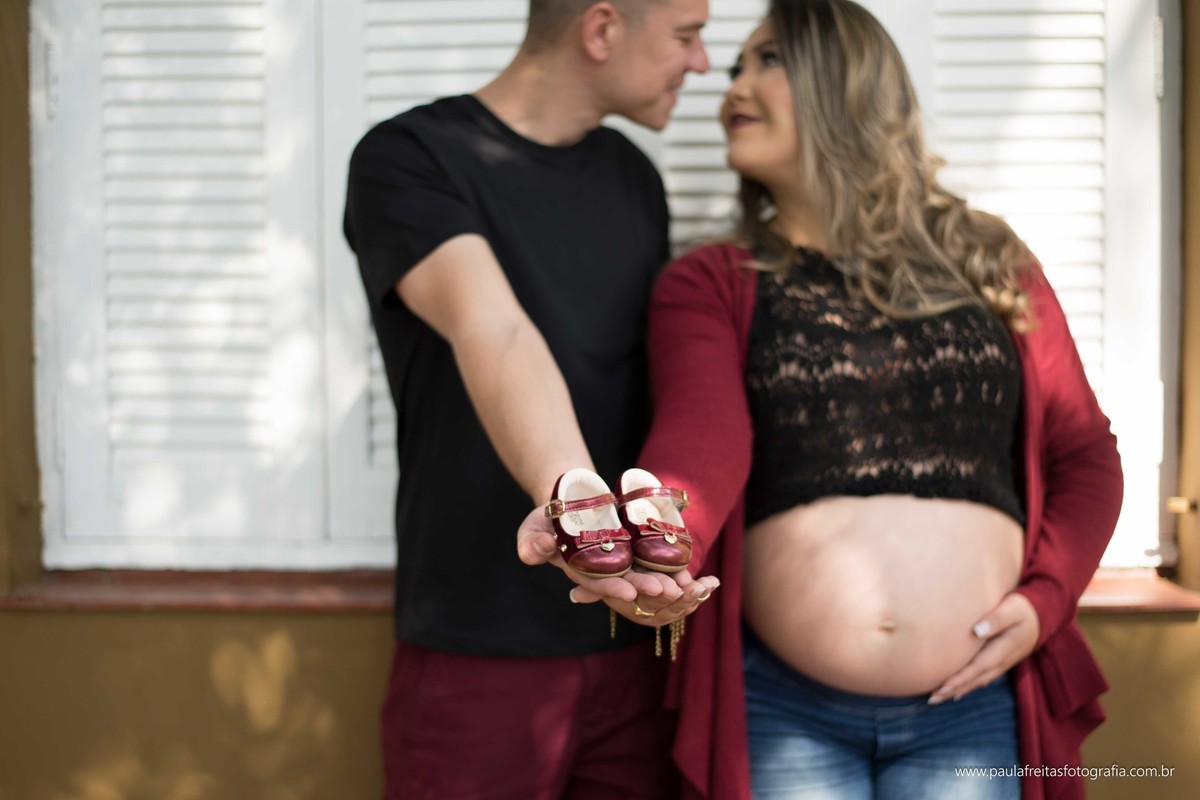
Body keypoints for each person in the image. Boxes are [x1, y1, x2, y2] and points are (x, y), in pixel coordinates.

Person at [519, 1, 1123, 798]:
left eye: (766, 59)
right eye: (734, 66)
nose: (731, 83)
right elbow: (703, 436)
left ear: (847, 81)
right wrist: (664, 542)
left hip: (973, 706)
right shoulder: (711, 284)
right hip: (784, 711)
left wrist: (1047, 600)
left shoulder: (990, 261)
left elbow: (1083, 453)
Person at [342, 1, 717, 797]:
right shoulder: (410, 157)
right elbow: (493, 328)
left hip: (628, 637)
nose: (703, 64)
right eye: (687, 36)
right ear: (602, 28)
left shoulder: (631, 176)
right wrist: (574, 500)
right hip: (476, 649)